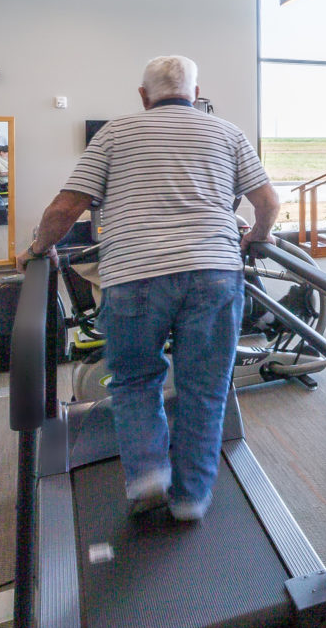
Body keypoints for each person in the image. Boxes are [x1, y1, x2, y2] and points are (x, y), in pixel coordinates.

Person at [21, 55, 280, 521]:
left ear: (143, 96)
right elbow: (267, 201)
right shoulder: (226, 132)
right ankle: (190, 498)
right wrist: (256, 238)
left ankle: (147, 475)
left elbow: (66, 207)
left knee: (137, 381)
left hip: (135, 275)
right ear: (196, 94)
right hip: (214, 272)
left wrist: (39, 248)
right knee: (205, 388)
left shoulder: (115, 133)